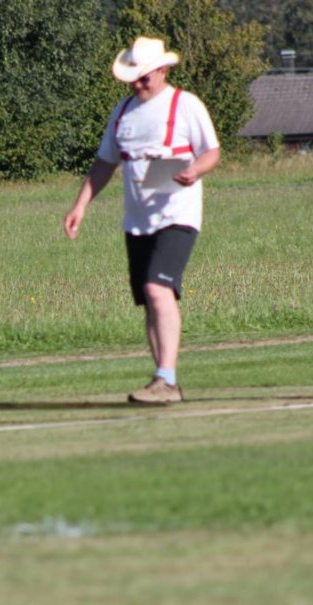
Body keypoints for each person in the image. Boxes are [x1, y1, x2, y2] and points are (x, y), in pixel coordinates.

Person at [63, 36, 221, 404]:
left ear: (163, 71)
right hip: (137, 220)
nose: (137, 85)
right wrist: (80, 205)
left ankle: (167, 379)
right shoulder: (123, 112)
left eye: (144, 78)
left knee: (157, 288)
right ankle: (161, 381)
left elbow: (211, 152)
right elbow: (105, 163)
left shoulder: (185, 105)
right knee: (149, 299)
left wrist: (195, 170)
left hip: (177, 213)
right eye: (132, 79)